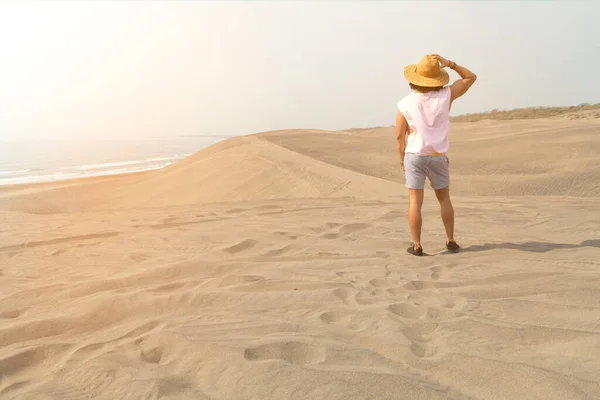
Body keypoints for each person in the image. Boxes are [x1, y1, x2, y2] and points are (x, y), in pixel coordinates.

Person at [395, 54, 477, 256]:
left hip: (415, 154)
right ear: (438, 77)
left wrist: (401, 158)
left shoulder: (405, 103)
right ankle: (450, 241)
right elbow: (470, 77)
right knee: (444, 200)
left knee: (415, 202)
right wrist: (450, 63)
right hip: (438, 155)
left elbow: (399, 135)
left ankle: (417, 245)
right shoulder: (446, 95)